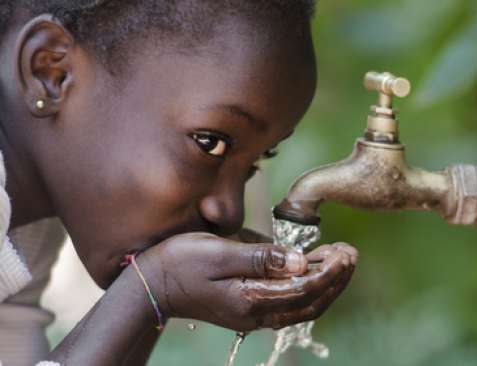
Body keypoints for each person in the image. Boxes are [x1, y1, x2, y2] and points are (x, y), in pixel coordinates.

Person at [0, 1, 358, 365]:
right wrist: (151, 288)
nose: (229, 213)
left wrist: (156, 295)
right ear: (51, 71)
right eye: (210, 143)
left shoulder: (25, 229)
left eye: (255, 162)